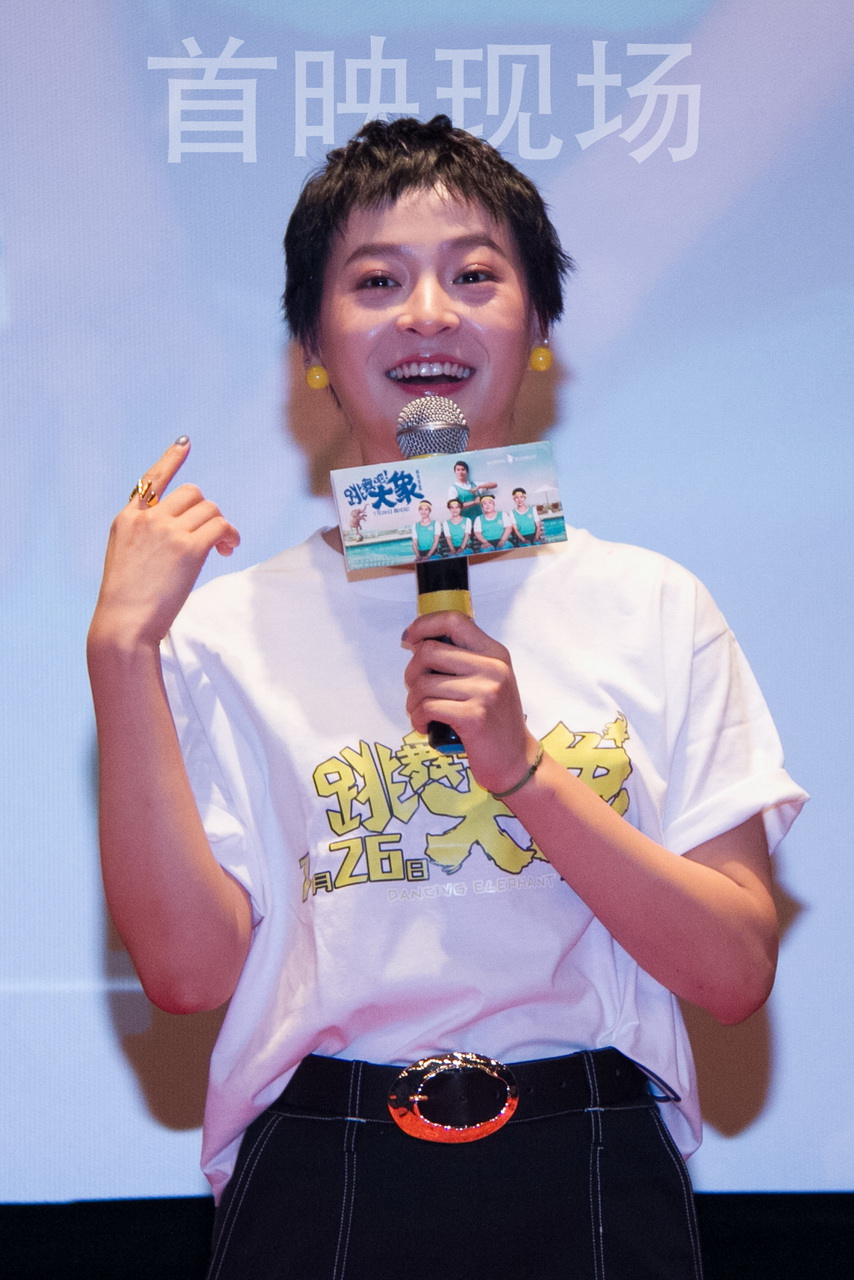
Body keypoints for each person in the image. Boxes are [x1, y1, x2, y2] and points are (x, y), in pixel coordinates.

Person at [87, 115, 805, 1279]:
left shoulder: (653, 604)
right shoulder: (226, 629)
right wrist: (123, 649)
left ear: (538, 328)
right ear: (311, 343)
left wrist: (523, 771)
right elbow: (186, 976)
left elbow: (731, 974)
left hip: (591, 1160)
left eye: (474, 275)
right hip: (323, 1169)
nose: (427, 314)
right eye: (376, 282)